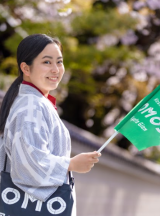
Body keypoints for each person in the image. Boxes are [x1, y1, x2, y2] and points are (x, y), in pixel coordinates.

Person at [0, 34, 101, 215]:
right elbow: (28, 164)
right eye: (47, 62)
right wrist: (69, 164)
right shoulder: (31, 106)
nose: (56, 69)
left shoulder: (34, 102)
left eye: (59, 62)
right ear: (26, 68)